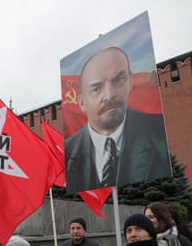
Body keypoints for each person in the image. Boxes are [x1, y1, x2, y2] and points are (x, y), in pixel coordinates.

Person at [64, 47, 171, 193]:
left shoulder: (159, 138)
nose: (109, 95)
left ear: (130, 81)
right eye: (96, 88)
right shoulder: (69, 152)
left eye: (119, 80)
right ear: (82, 102)